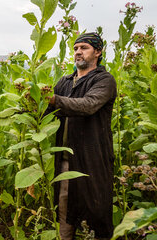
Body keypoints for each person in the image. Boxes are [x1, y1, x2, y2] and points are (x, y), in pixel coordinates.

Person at [48, 32, 116, 239]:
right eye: (76, 48)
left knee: (97, 211)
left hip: (94, 160)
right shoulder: (65, 82)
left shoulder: (104, 80)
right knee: (64, 211)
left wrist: (52, 100)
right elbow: (48, 114)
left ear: (97, 52)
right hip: (66, 161)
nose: (78, 52)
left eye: (84, 48)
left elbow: (87, 105)